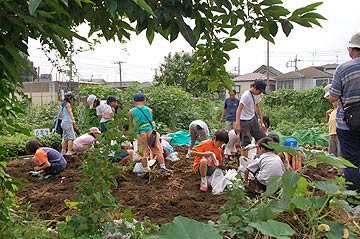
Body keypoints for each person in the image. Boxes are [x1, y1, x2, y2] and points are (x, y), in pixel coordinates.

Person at [329, 32, 360, 194]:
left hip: (348, 124)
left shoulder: (344, 68)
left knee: (351, 162)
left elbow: (333, 96)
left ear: (353, 49)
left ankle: (355, 201)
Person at [129, 93, 172, 174]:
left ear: (134, 101)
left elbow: (131, 125)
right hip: (150, 132)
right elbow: (151, 121)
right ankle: (163, 167)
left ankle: (146, 170)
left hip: (140, 133)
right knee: (158, 150)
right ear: (144, 101)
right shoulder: (149, 110)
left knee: (143, 152)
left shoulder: (131, 111)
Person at [235, 79, 267, 147]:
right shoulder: (246, 95)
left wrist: (261, 119)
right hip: (244, 120)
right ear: (255, 87)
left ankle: (259, 155)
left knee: (263, 138)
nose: (260, 93)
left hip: (252, 118)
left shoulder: (257, 95)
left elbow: (257, 106)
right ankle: (244, 157)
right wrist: (237, 124)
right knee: (245, 142)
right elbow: (239, 109)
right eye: (260, 91)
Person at [324, 84, 341, 174]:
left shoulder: (341, 110)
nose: (333, 102)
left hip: (339, 133)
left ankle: (340, 169)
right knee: (332, 152)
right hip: (331, 134)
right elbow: (328, 122)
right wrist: (327, 115)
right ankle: (334, 167)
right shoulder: (332, 111)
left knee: (340, 152)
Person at [60, 91, 77, 156]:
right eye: (72, 99)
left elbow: (61, 115)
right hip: (67, 122)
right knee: (71, 138)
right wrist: (73, 120)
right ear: (70, 98)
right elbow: (70, 112)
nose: (73, 100)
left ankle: (63, 151)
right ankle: (69, 152)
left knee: (65, 138)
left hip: (63, 122)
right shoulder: (68, 104)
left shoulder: (63, 104)